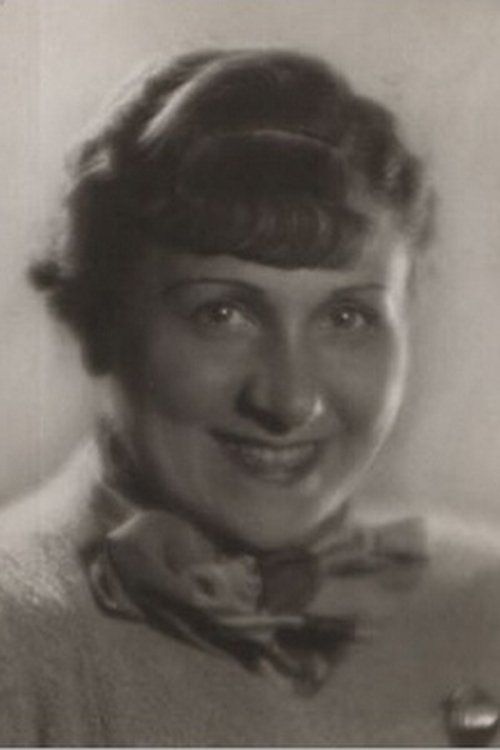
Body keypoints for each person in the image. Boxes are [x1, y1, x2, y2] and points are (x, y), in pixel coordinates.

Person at [0, 47, 499, 747]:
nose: (289, 400)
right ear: (99, 324)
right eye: (223, 314)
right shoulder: (17, 642)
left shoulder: (481, 602)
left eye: (348, 316)